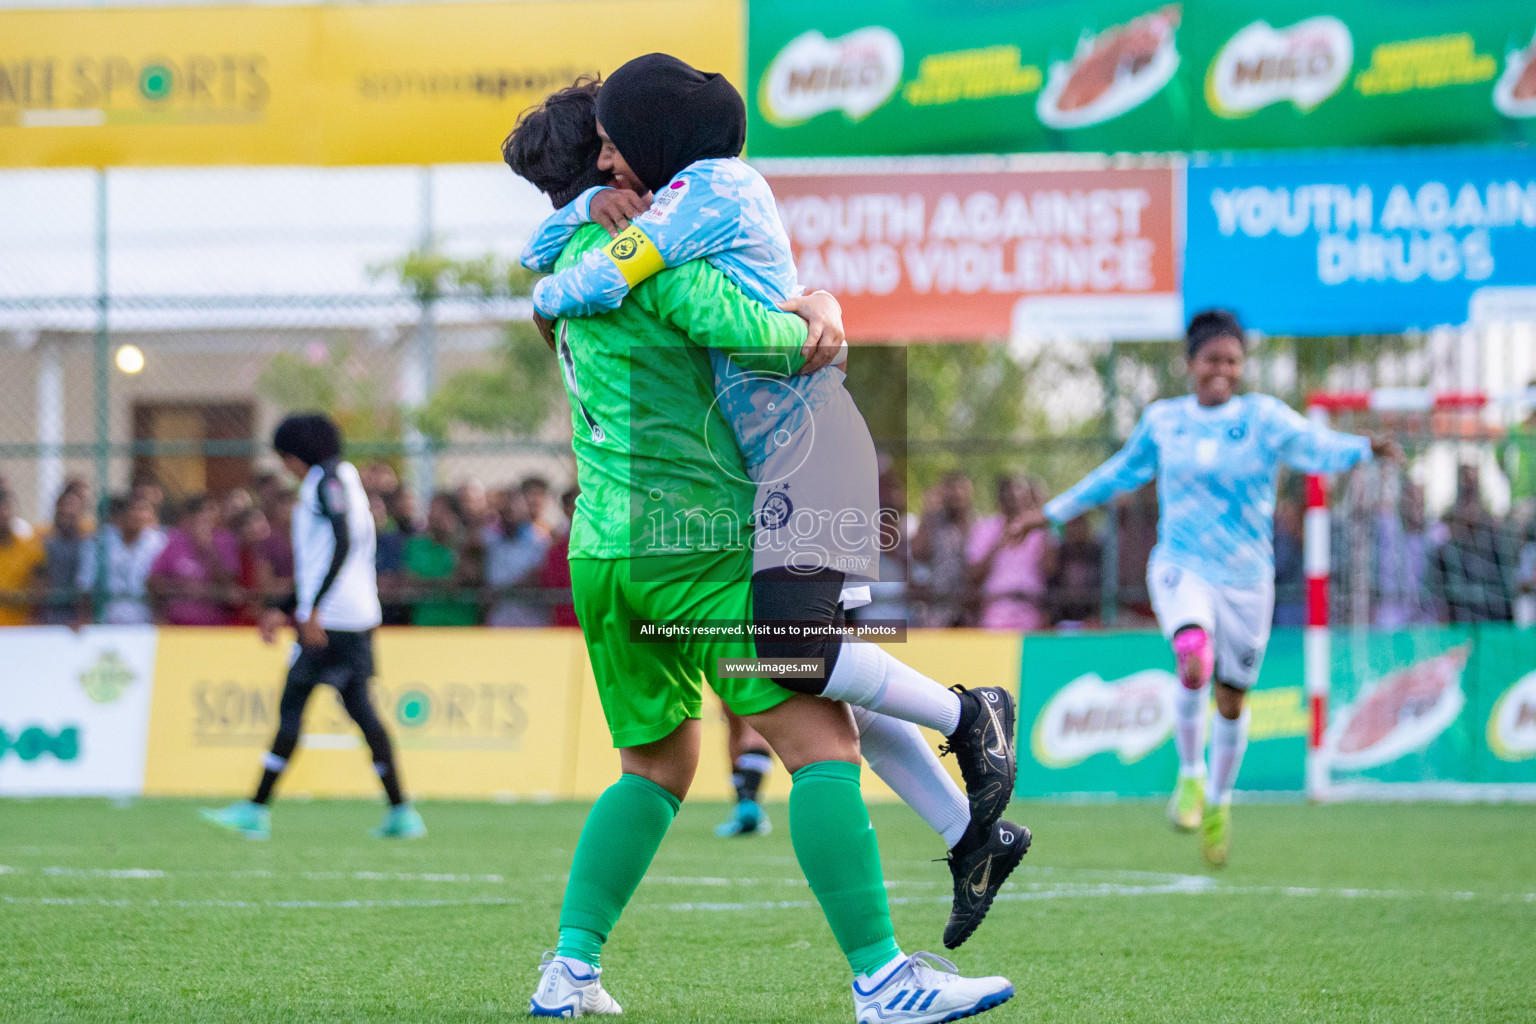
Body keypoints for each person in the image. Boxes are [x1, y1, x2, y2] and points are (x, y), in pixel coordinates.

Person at [505, 73, 1014, 1023]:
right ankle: (882, 979)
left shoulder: (556, 290)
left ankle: (568, 972)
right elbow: (782, 344)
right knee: (823, 745)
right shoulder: (658, 268)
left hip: (601, 553)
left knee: (655, 767)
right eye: (615, 147)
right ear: (617, 175)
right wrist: (818, 306)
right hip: (691, 544)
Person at [1029, 309, 1399, 867]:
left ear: (1241, 366)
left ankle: (1221, 802)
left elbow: (1313, 446)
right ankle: (1190, 777)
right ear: (1191, 365)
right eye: (1211, 360)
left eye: (1231, 361)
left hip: (1249, 578)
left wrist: (1363, 448)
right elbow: (1119, 473)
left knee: (1230, 699)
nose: (1221, 370)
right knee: (1192, 655)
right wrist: (1053, 512)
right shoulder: (1164, 421)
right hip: (1182, 565)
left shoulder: (1263, 419)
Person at [200, 413, 424, 842]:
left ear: (297, 453)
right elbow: (325, 555)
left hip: (333, 620)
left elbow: (340, 542)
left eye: (286, 456)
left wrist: (312, 610)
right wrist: (286, 607)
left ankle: (255, 810)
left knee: (294, 705)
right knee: (360, 711)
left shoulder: (326, 483)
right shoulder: (343, 478)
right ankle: (401, 812)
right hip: (351, 616)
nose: (286, 465)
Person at [966, 475, 1053, 631]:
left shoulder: (1040, 531)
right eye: (1008, 492)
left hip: (1030, 609)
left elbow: (1050, 568)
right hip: (995, 611)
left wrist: (1042, 520)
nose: (1013, 496)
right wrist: (998, 543)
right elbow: (973, 574)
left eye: (1019, 491)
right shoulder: (985, 528)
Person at [147, 495, 240, 626]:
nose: (208, 518)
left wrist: (208, 550)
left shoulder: (225, 540)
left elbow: (231, 584)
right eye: (203, 512)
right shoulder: (176, 541)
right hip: (178, 625)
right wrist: (182, 588)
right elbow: (153, 581)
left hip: (216, 626)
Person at [76, 492, 168, 625]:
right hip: (105, 619)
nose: (138, 515)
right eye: (134, 509)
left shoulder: (159, 543)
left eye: (144, 510)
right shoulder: (99, 542)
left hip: (145, 620)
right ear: (122, 514)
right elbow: (85, 585)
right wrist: (85, 620)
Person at [910, 472, 976, 627]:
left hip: (969, 606)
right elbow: (917, 553)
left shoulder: (978, 524)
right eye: (952, 490)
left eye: (961, 489)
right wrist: (928, 510)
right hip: (938, 605)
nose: (957, 494)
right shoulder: (933, 523)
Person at [403, 494, 480, 625]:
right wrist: (441, 583)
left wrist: (454, 542)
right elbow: (409, 580)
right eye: (432, 510)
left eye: (441, 512)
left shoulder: (467, 545)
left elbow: (470, 578)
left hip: (461, 623)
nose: (434, 517)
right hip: (425, 623)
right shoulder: (416, 545)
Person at [486, 485, 551, 626]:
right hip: (500, 614)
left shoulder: (540, 539)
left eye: (513, 510)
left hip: (530, 615)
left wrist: (508, 589)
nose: (509, 515)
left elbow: (537, 576)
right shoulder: (490, 537)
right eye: (505, 511)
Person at [39, 488, 92, 626]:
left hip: (78, 614)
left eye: (72, 514)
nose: (68, 514)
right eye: (64, 513)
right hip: (51, 613)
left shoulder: (89, 545)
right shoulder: (45, 545)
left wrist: (83, 617)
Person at [0, 486, 44, 625]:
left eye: (5, 508)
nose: (2, 514)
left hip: (21, 630)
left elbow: (40, 591)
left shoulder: (30, 549)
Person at [540, 485, 580, 627]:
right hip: (565, 620)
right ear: (565, 509)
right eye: (572, 506)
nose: (576, 510)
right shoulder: (557, 547)